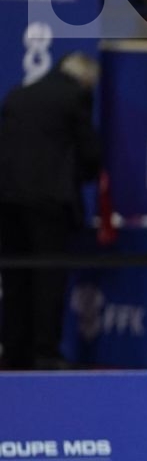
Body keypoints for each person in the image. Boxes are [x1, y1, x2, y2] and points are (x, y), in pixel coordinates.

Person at [0, 54, 100, 370]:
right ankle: (45, 353)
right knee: (48, 277)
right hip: (48, 201)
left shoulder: (18, 94)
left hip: (7, 199)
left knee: (14, 276)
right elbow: (89, 152)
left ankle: (14, 351)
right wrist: (84, 175)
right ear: (85, 81)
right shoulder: (75, 95)